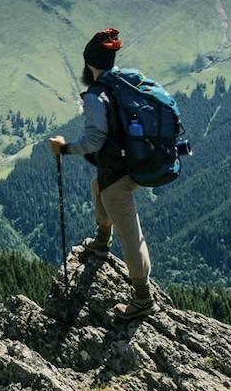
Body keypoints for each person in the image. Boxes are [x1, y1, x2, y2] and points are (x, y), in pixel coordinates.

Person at [48, 27, 159, 321]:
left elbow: (94, 141)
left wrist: (65, 148)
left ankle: (142, 298)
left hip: (119, 174)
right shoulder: (124, 82)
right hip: (137, 162)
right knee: (98, 185)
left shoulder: (98, 95)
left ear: (89, 63)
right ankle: (101, 242)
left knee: (130, 234)